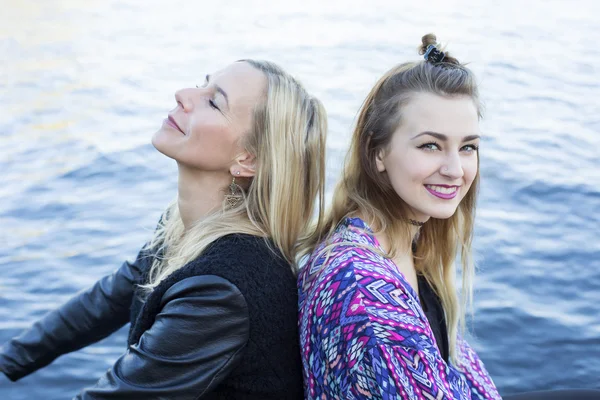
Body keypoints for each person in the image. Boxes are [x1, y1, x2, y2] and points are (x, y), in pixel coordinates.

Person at [0, 59, 327, 399]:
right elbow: (106, 300)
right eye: (202, 84)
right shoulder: (184, 229)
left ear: (248, 160)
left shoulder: (223, 289)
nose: (183, 94)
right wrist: (7, 361)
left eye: (214, 102)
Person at [297, 34, 499, 399]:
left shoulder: (407, 243)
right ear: (378, 153)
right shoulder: (363, 290)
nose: (455, 170)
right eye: (430, 145)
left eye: (468, 146)